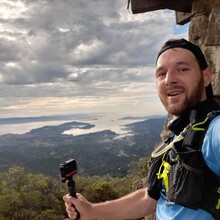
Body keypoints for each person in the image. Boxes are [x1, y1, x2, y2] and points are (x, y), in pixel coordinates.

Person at [63, 38, 220, 220]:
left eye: (182, 69)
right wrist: (91, 211)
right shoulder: (182, 136)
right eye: (161, 74)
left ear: (206, 76)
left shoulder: (213, 130)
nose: (169, 79)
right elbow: (149, 198)